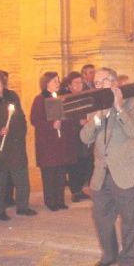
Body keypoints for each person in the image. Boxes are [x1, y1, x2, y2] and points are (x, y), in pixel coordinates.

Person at [81, 67, 134, 266]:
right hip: (102, 174)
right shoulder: (95, 107)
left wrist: (118, 109)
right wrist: (98, 117)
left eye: (105, 81)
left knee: (129, 221)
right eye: (97, 82)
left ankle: (127, 261)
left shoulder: (133, 101)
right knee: (102, 219)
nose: (100, 85)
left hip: (127, 173)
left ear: (115, 83)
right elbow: (85, 137)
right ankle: (109, 255)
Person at [0, 70, 37, 221]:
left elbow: (21, 118)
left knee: (21, 179)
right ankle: (0, 209)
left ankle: (23, 206)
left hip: (16, 145)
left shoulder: (12, 96)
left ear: (3, 84)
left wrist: (17, 132)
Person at [30, 72, 77, 211]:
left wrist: (65, 121)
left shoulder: (63, 98)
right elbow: (35, 120)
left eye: (58, 81)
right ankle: (50, 201)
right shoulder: (40, 99)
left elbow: (69, 116)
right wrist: (51, 125)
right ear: (47, 83)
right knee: (50, 173)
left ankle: (60, 200)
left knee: (61, 173)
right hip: (48, 144)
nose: (58, 83)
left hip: (61, 143)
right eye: (55, 81)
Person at [59, 72, 93, 203]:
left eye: (81, 83)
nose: (79, 85)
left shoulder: (85, 97)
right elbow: (65, 117)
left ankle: (81, 190)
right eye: (76, 83)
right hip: (74, 137)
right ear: (70, 86)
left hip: (87, 135)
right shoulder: (66, 99)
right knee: (75, 165)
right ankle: (75, 191)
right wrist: (78, 122)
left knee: (87, 163)